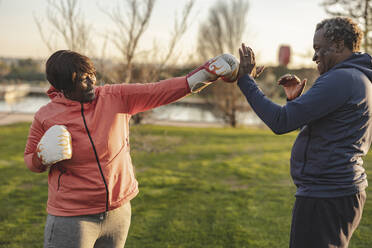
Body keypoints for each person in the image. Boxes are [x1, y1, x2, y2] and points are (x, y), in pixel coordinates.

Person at [24, 50, 239, 248]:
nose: (91, 83)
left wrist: (206, 74)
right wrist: (41, 157)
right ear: (63, 87)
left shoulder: (115, 97)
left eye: (91, 75)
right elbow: (30, 160)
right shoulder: (45, 116)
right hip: (72, 219)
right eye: (82, 79)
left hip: (118, 215)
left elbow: (159, 91)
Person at [237, 17, 370, 248]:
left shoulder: (341, 79)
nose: (314, 57)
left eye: (319, 48)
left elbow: (280, 122)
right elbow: (331, 127)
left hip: (325, 195)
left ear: (339, 45)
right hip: (339, 191)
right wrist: (297, 102)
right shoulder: (357, 77)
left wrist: (246, 80)